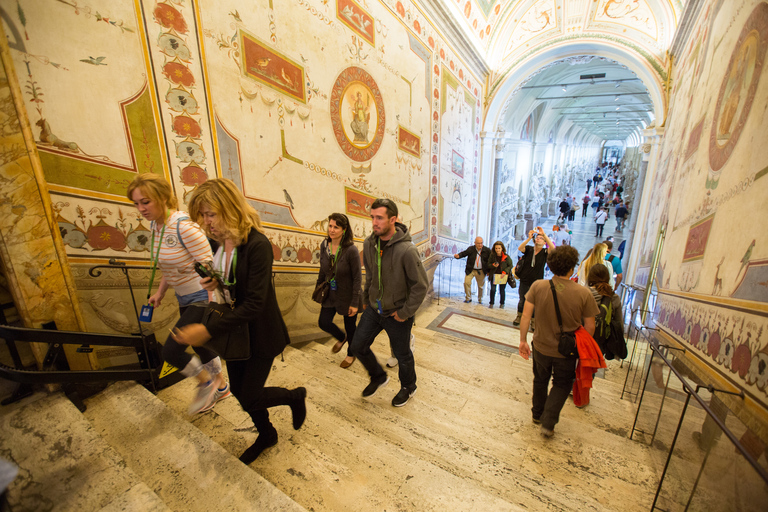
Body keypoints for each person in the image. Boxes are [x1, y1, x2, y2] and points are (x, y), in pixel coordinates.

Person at [172, 179, 307, 463]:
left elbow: (255, 304)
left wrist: (206, 329)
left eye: (211, 214)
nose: (206, 223)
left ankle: (294, 396)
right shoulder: (217, 241)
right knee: (242, 394)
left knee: (250, 395)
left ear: (230, 208)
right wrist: (213, 282)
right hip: (235, 333)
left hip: (260, 333)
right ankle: (266, 434)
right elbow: (230, 286)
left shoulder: (257, 245)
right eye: (202, 216)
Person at [127, 173, 229, 415]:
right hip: (183, 296)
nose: (141, 208)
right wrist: (160, 292)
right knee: (202, 346)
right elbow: (170, 266)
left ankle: (206, 383)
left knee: (172, 351)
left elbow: (210, 267)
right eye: (136, 203)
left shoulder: (185, 227)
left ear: (163, 198)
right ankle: (223, 387)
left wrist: (213, 305)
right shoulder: (156, 226)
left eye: (146, 202)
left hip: (202, 296)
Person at [350, 198, 428, 407]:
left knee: (402, 354)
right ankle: (378, 377)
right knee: (357, 345)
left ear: (392, 219)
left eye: (379, 218)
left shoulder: (407, 250)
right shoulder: (369, 244)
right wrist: (367, 300)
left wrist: (404, 313)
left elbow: (420, 286)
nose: (374, 222)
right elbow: (371, 275)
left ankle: (408, 386)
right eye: (372, 217)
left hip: (397, 313)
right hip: (374, 309)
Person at [517, 246, 600, 437]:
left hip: (540, 346)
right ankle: (548, 420)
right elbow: (590, 327)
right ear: (572, 267)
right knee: (562, 384)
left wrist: (523, 341)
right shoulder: (583, 293)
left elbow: (525, 317)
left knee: (540, 380)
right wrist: (582, 347)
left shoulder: (538, 286)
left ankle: (537, 415)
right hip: (567, 350)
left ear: (550, 265)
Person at [316, 213, 362, 368]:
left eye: (336, 227)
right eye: (330, 226)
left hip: (348, 294)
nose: (332, 230)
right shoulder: (324, 245)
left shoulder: (351, 250)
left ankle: (351, 353)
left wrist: (355, 302)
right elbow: (323, 270)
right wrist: (319, 287)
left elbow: (357, 278)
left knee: (350, 326)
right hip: (330, 292)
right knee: (323, 322)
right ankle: (341, 337)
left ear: (344, 229)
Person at [513, 227, 555, 329]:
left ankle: (533, 321)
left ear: (544, 241)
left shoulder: (545, 252)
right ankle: (519, 316)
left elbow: (553, 249)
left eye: (541, 238)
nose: (538, 239)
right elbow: (520, 248)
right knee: (522, 299)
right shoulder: (529, 249)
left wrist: (544, 234)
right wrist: (529, 238)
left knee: (535, 302)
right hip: (524, 279)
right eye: (537, 237)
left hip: (537, 281)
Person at [454, 237, 491, 304]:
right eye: (478, 243)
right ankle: (468, 298)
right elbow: (464, 253)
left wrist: (489, 271)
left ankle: (480, 299)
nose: (480, 245)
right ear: (475, 243)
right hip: (471, 270)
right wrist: (458, 256)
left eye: (481, 243)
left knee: (480, 286)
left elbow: (490, 260)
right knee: (466, 283)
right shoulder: (471, 249)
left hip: (481, 270)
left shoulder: (487, 250)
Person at [487, 241, 512, 309]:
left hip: (502, 276)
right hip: (494, 275)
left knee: (502, 290)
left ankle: (502, 303)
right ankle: (491, 303)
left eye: (499, 248)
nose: (497, 250)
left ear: (502, 249)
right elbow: (488, 264)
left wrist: (505, 271)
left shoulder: (506, 257)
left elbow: (510, 265)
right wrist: (493, 265)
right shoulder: (492, 256)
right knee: (493, 289)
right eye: (496, 248)